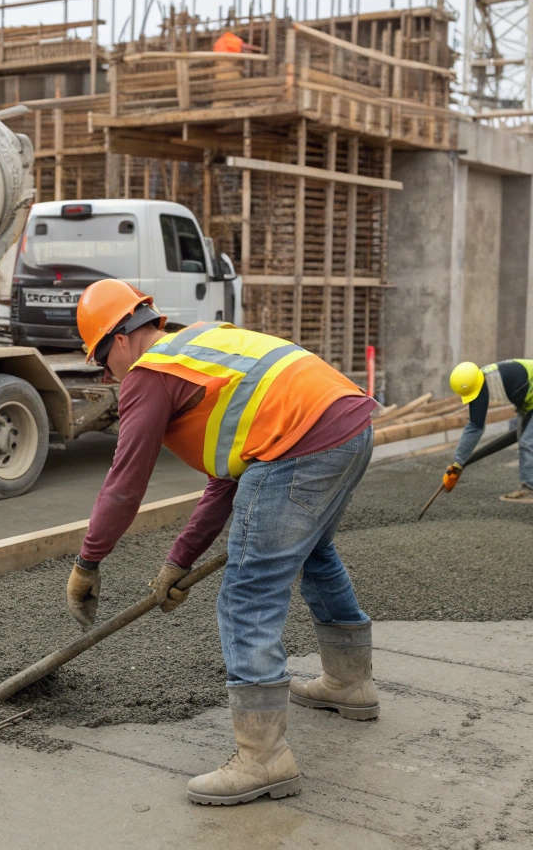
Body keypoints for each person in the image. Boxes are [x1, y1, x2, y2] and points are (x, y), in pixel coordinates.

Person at [65, 279, 379, 806]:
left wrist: (88, 561)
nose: (107, 376)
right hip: (347, 426)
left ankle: (262, 759)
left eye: (102, 362)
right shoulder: (199, 344)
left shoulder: (150, 373)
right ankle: (350, 683)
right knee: (315, 552)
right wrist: (177, 562)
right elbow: (227, 480)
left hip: (300, 443)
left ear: (118, 340)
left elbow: (124, 484)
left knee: (248, 592)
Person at [445, 358, 533, 504]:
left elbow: (475, 427)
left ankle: (532, 489)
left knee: (530, 441)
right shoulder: (482, 378)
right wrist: (457, 463)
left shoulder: (487, 383)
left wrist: (458, 463)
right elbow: (476, 425)